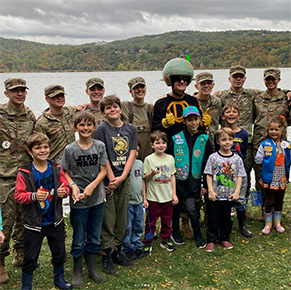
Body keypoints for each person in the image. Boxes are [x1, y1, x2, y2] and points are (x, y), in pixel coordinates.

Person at [153, 58, 211, 240]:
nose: (181, 82)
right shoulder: (161, 103)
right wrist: (163, 124)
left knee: (192, 193)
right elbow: (155, 130)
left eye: (185, 80)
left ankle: (188, 225)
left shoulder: (192, 100)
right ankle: (168, 227)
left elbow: (198, 128)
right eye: (178, 79)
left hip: (191, 154)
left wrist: (204, 126)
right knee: (173, 195)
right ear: (170, 80)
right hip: (171, 154)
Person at [14, 133, 72, 290]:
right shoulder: (24, 172)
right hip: (34, 224)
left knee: (59, 252)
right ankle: (26, 285)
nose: (42, 150)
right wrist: (33, 196)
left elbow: (65, 187)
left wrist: (64, 192)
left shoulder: (56, 168)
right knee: (30, 257)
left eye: (45, 147)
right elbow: (18, 195)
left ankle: (59, 279)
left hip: (55, 221)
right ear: (30, 151)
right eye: (38, 148)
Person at [61, 111, 107, 287]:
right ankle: (77, 271)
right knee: (79, 237)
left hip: (97, 199)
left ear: (94, 127)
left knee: (94, 236)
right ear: (75, 127)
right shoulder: (70, 149)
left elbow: (103, 170)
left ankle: (92, 269)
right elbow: (64, 171)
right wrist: (73, 185)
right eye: (82, 125)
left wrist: (92, 186)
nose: (86, 128)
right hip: (78, 201)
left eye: (89, 125)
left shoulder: (99, 146)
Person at [93, 95, 137, 275]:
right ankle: (106, 253)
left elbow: (132, 153)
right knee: (108, 217)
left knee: (122, 216)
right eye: (108, 108)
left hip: (123, 178)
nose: (112, 110)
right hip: (107, 180)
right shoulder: (101, 130)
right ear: (103, 113)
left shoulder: (130, 129)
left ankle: (117, 250)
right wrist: (112, 180)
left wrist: (122, 177)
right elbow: (102, 156)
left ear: (120, 108)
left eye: (115, 106)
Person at [0, 78, 36, 284]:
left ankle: (20, 254)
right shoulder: (0, 115)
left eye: (22, 90)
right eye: (15, 91)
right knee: (5, 222)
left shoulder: (29, 115)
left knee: (25, 219)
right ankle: (0, 263)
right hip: (4, 177)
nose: (20, 94)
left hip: (25, 175)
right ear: (7, 94)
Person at [169, 106, 212, 248]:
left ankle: (198, 235)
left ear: (200, 120)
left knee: (191, 207)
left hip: (194, 181)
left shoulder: (204, 139)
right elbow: (168, 158)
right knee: (175, 207)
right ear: (184, 121)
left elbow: (207, 163)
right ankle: (175, 232)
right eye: (190, 120)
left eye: (195, 119)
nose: (193, 123)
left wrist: (205, 185)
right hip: (177, 180)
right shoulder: (177, 138)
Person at [253, 67, 291, 220]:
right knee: (259, 179)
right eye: (267, 79)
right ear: (264, 80)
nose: (270, 81)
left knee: (279, 177)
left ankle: (276, 209)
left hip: (279, 147)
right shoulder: (257, 97)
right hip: (259, 144)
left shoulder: (286, 99)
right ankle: (261, 209)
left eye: (273, 79)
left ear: (278, 80)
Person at [204, 128, 246, 252]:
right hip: (216, 196)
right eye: (223, 140)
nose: (227, 142)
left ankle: (225, 237)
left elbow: (239, 176)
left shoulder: (237, 159)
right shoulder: (213, 157)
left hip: (230, 197)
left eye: (230, 139)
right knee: (214, 218)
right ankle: (211, 239)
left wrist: (237, 192)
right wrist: (210, 190)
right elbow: (209, 174)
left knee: (228, 218)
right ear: (218, 141)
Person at [218, 104, 253, 238]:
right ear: (223, 116)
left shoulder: (243, 133)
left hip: (239, 170)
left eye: (234, 112)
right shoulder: (220, 133)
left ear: (238, 116)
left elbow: (244, 151)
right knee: (224, 198)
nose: (231, 114)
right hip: (224, 171)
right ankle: (225, 224)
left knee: (240, 198)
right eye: (228, 112)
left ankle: (242, 225)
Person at [193, 72, 222, 228]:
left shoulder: (217, 101)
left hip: (212, 148)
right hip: (195, 150)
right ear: (196, 85)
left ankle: (209, 215)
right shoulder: (191, 101)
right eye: (202, 83)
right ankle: (192, 217)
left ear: (213, 85)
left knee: (212, 182)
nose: (206, 86)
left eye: (209, 83)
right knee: (196, 183)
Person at [142, 130, 178, 254]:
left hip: (167, 197)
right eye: (157, 143)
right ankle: (148, 241)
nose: (160, 145)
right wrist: (151, 174)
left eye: (163, 142)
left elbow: (172, 176)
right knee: (151, 221)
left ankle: (166, 239)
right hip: (154, 197)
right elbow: (144, 178)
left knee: (167, 220)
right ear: (152, 145)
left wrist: (174, 194)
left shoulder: (170, 159)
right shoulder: (148, 159)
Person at [255, 116, 291, 235]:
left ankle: (277, 223)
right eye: (271, 129)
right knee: (269, 201)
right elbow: (258, 159)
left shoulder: (287, 145)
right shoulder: (265, 144)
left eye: (276, 129)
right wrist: (267, 167)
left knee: (279, 201)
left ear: (282, 131)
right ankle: (268, 224)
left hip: (282, 178)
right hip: (270, 179)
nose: (274, 132)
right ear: (268, 130)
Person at [34, 85, 76, 164]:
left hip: (74, 163)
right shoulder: (41, 123)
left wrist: (85, 105)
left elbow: (89, 109)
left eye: (62, 95)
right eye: (55, 96)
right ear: (47, 99)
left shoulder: (70, 111)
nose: (60, 98)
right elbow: (38, 150)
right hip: (55, 166)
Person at [122, 140, 145, 260]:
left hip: (139, 201)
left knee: (139, 224)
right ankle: (127, 247)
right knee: (127, 226)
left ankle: (137, 245)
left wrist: (144, 198)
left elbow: (142, 180)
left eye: (135, 148)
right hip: (128, 202)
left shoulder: (140, 163)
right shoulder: (123, 164)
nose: (134, 151)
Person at [121, 77, 153, 161]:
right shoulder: (124, 106)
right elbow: (106, 105)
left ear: (145, 89)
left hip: (149, 158)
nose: (139, 90)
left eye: (142, 87)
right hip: (131, 158)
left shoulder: (152, 108)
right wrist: (86, 105)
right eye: (136, 88)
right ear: (130, 92)